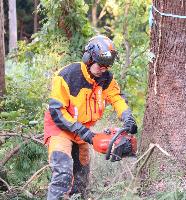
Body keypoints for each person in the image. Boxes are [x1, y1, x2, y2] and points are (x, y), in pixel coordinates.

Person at [43, 35, 137, 199]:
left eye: (107, 65)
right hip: (60, 130)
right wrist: (84, 132)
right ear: (89, 59)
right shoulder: (67, 76)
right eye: (101, 64)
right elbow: (57, 111)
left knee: (81, 179)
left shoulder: (106, 79)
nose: (104, 69)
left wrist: (127, 116)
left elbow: (116, 97)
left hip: (82, 133)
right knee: (63, 173)